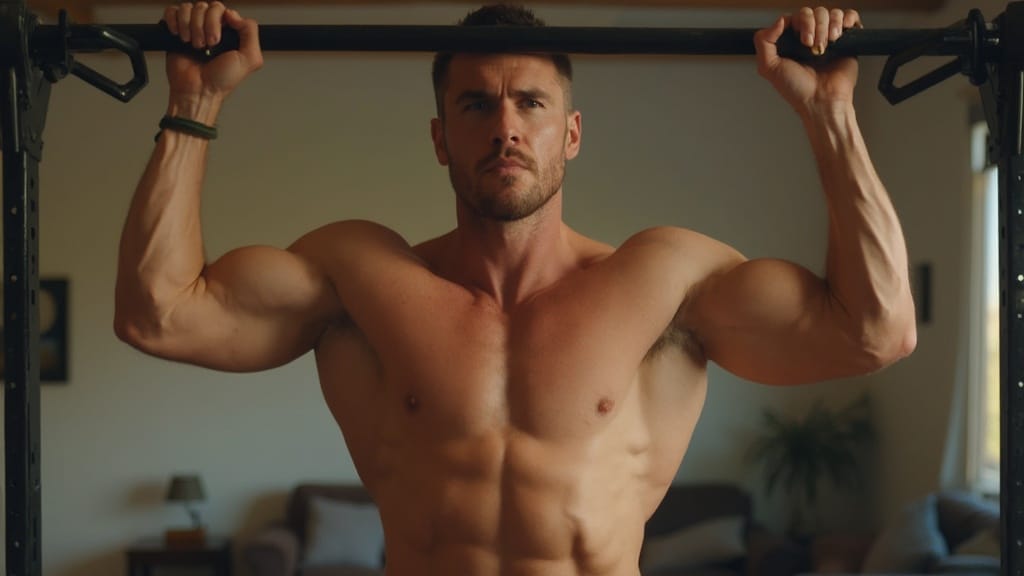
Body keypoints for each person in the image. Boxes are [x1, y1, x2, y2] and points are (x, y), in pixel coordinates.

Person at [115, 3, 916, 575]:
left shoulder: (665, 281)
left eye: (530, 103)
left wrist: (831, 116)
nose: (505, 127)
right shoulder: (359, 279)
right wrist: (194, 101)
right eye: (476, 104)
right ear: (440, 138)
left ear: (569, 134)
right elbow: (157, 315)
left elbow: (877, 333)